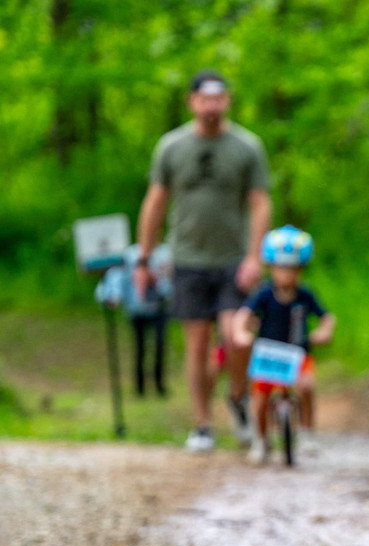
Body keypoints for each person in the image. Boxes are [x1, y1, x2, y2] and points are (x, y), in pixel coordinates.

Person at [135, 68, 272, 452]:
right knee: (196, 346)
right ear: (192, 101)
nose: (212, 105)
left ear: (227, 100)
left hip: (234, 261)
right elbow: (156, 202)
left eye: (219, 97)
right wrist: (144, 259)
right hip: (187, 260)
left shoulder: (247, 147)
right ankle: (202, 425)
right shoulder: (171, 148)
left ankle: (238, 396)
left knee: (236, 337)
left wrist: (254, 257)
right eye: (205, 98)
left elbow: (260, 202)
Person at [232, 225, 336, 464]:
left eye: (292, 268)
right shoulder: (264, 294)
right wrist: (240, 332)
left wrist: (324, 331)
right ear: (271, 267)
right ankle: (261, 439)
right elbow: (244, 314)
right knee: (259, 399)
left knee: (307, 386)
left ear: (301, 269)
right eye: (281, 267)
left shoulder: (305, 295)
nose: (287, 274)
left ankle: (307, 432)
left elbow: (326, 316)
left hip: (298, 354)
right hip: (268, 355)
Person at [94, 245, 172, 397]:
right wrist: (113, 296)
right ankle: (140, 387)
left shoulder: (164, 253)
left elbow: (170, 282)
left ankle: (159, 385)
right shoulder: (130, 255)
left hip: (158, 308)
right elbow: (117, 278)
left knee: (160, 346)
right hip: (136, 309)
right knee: (140, 347)